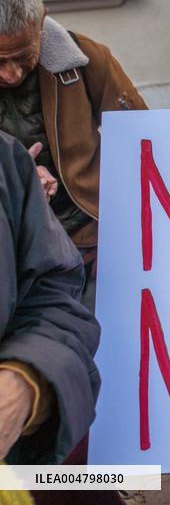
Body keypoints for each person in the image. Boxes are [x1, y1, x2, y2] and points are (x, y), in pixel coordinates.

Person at [0, 0, 147, 311]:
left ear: (42, 22)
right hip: (16, 257)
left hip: (93, 242)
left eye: (23, 56)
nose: (11, 73)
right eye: (0, 60)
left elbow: (144, 140)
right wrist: (16, 178)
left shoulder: (86, 60)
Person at [0, 131, 100, 466]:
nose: (12, 74)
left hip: (29, 466)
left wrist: (25, 382)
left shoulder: (5, 160)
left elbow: (54, 294)